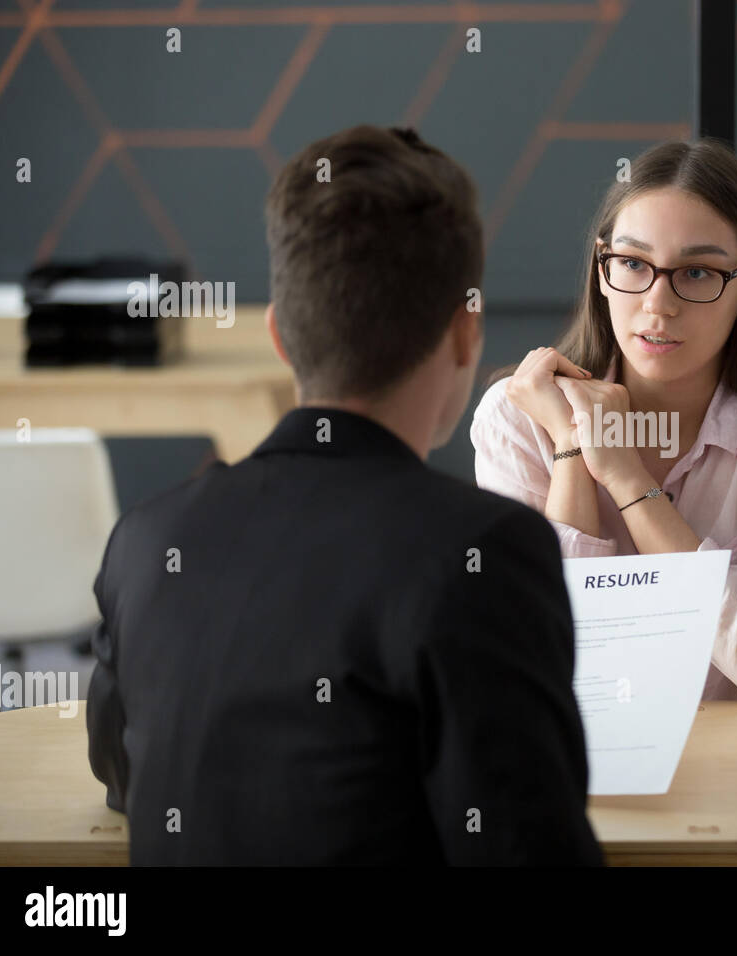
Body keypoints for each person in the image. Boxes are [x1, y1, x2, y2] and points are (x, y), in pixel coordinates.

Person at [86, 125, 602, 866]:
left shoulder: (146, 541)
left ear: (281, 337)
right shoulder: (483, 553)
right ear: (466, 335)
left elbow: (122, 774)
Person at [471, 139, 737, 706]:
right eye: (632, 263)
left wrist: (629, 480)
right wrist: (573, 451)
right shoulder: (517, 417)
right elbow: (550, 661)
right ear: (602, 270)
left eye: (698, 272)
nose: (658, 304)